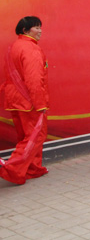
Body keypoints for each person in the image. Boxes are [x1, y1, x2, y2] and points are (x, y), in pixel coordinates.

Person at [0, 16, 50, 185]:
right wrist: (40, 104)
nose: (40, 31)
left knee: (25, 135)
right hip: (29, 101)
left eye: (40, 27)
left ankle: (33, 169)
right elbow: (34, 80)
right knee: (35, 136)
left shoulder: (14, 46)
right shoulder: (31, 49)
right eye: (36, 28)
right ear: (25, 30)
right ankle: (11, 169)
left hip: (15, 99)